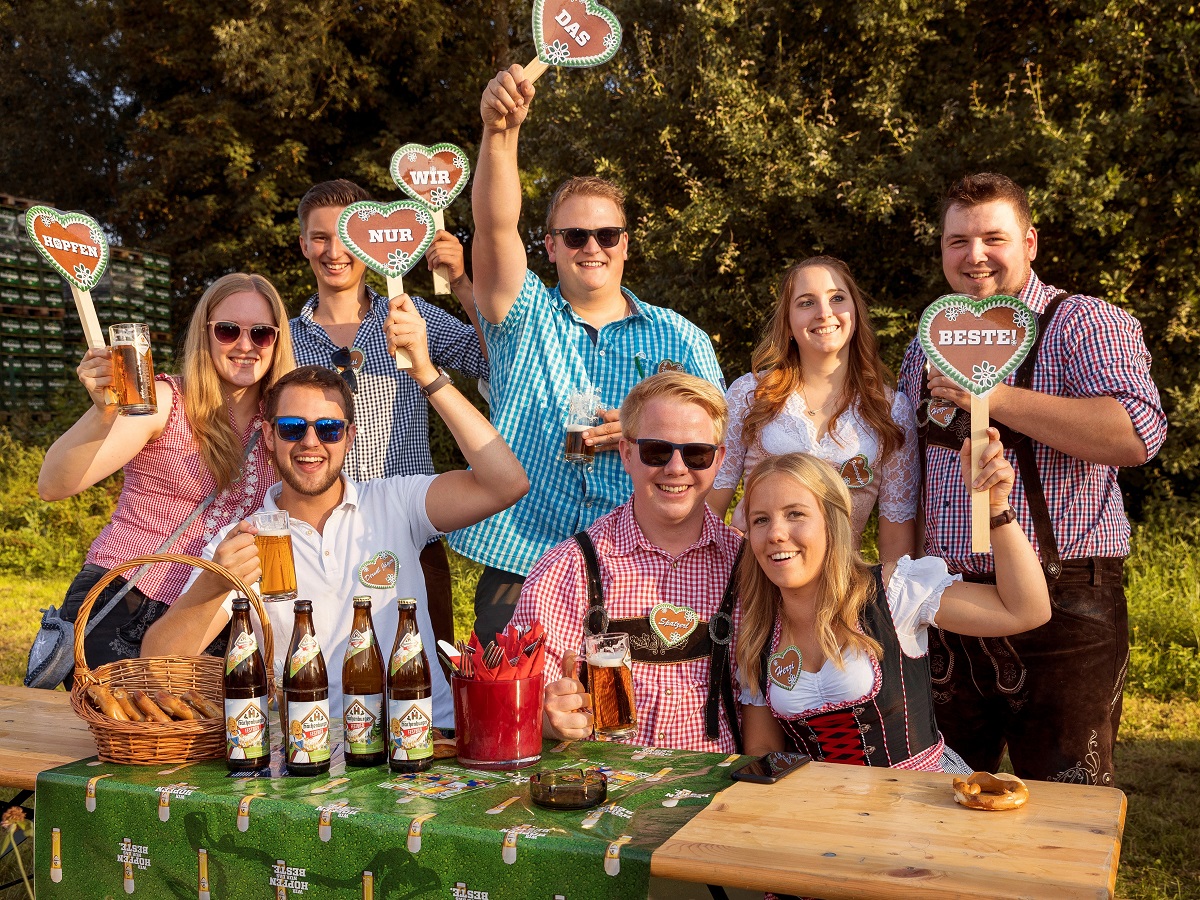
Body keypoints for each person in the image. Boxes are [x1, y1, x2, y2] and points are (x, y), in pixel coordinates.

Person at [897, 172, 1167, 784]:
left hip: (1065, 600)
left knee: (1064, 801)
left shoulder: (1083, 322)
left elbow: (1136, 433)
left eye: (994, 237)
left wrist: (992, 396)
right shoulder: (931, 339)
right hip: (950, 596)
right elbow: (909, 472)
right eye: (957, 241)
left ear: (1030, 242)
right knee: (943, 798)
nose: (975, 256)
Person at [142, 303, 529, 728]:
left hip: (424, 737)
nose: (311, 442)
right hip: (310, 752)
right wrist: (213, 585)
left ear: (349, 437)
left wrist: (427, 375)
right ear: (269, 436)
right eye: (292, 428)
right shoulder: (243, 540)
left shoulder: (395, 501)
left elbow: (506, 483)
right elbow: (159, 670)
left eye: (328, 429)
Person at [454, 66, 726, 643]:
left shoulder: (682, 339)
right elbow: (494, 224)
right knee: (518, 719)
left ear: (626, 243)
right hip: (524, 555)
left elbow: (712, 447)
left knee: (627, 721)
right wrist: (500, 133)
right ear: (550, 247)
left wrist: (638, 428)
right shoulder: (521, 314)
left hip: (642, 567)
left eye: (607, 234)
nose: (592, 247)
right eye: (575, 236)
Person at [736, 437, 1051, 772]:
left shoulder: (892, 591)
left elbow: (1026, 610)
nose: (776, 534)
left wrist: (996, 509)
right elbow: (763, 748)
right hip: (825, 811)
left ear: (832, 522)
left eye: (795, 513)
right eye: (760, 520)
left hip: (920, 801)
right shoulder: (759, 632)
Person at [37, 273, 295, 674]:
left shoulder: (284, 424)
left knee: (197, 737)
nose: (245, 345)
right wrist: (102, 411)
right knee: (124, 734)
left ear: (277, 340)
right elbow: (54, 485)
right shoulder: (164, 401)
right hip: (127, 596)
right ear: (206, 334)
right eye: (228, 331)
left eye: (261, 333)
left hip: (213, 614)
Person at [291, 178, 490, 653]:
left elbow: (490, 361)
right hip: (314, 539)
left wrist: (462, 283)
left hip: (410, 530)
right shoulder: (282, 336)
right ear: (303, 244)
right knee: (320, 674)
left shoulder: (409, 313)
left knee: (425, 682)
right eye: (320, 237)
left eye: (346, 237)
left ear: (370, 243)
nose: (333, 250)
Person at [511, 372, 743, 754]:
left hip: (717, 797)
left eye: (696, 453)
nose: (676, 468)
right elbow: (513, 700)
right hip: (605, 796)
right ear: (626, 454)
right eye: (657, 450)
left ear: (718, 460)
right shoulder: (567, 568)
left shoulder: (749, 568)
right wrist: (546, 717)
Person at [710, 256, 918, 564]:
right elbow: (710, 510)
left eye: (837, 298)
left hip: (843, 590)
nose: (824, 313)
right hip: (756, 584)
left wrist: (881, 609)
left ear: (855, 312)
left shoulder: (892, 411)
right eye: (806, 302)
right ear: (789, 323)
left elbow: (896, 544)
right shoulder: (749, 394)